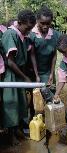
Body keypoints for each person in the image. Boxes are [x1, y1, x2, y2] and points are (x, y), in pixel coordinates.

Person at [1, 9, 37, 145]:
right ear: (20, 23)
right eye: (27, 28)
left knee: (21, 104)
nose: (28, 31)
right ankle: (10, 136)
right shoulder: (10, 34)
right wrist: (25, 77)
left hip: (19, 74)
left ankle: (18, 131)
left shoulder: (22, 35)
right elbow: (9, 61)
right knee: (11, 105)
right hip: (11, 76)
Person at [30, 6, 61, 85]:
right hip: (33, 71)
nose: (45, 26)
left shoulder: (55, 35)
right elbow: (32, 55)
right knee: (35, 94)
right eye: (42, 23)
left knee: (49, 92)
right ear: (37, 21)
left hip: (48, 72)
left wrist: (51, 74)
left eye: (48, 23)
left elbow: (54, 55)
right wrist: (36, 75)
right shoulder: (31, 34)